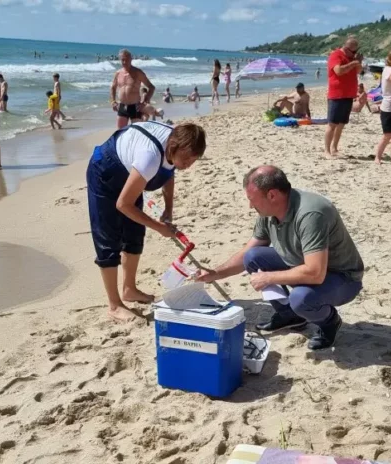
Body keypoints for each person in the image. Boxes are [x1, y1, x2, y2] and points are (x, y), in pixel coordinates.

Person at [197, 166, 364, 350]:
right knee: (253, 257)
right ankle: (289, 316)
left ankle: (329, 322)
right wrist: (215, 273)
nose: (250, 206)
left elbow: (315, 273)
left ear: (272, 195)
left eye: (252, 199)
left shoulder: (310, 214)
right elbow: (248, 252)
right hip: (302, 262)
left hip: (342, 277)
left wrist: (268, 278)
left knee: (301, 299)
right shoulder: (269, 211)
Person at [86, 122, 207, 322]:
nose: (188, 164)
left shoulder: (176, 142)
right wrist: (159, 228)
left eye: (192, 161)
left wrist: (168, 210)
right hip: (104, 169)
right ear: (172, 146)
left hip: (129, 171)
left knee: (134, 233)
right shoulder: (149, 157)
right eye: (186, 159)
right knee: (108, 239)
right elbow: (123, 204)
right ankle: (114, 305)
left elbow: (169, 172)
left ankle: (129, 289)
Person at [325, 38, 363, 158]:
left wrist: (358, 62)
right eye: (353, 51)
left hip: (348, 94)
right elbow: (338, 71)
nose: (355, 53)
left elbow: (358, 71)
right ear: (346, 48)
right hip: (337, 95)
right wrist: (354, 62)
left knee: (341, 124)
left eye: (356, 51)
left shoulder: (352, 58)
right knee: (332, 124)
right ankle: (327, 151)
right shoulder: (336, 55)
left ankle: (334, 148)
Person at [111, 49, 155, 129]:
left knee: (137, 132)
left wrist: (145, 102)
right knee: (121, 132)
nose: (125, 62)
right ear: (120, 60)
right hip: (122, 107)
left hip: (135, 107)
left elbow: (151, 87)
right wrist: (113, 102)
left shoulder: (138, 72)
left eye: (127, 59)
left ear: (131, 59)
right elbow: (113, 87)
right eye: (122, 60)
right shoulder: (118, 73)